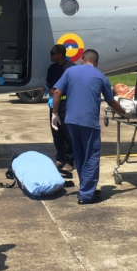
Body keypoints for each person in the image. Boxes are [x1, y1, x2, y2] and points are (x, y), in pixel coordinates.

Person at [51, 49, 126, 204]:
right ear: (96, 63)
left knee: (79, 154)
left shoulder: (70, 71)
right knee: (91, 156)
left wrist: (55, 113)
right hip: (89, 122)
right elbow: (111, 101)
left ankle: (85, 188)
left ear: (82, 59)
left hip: (71, 120)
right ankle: (86, 194)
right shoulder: (101, 77)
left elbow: (57, 92)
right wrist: (124, 113)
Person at [45, 44, 75, 173]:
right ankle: (60, 158)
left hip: (66, 104)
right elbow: (49, 83)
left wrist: (57, 91)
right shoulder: (52, 68)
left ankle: (69, 161)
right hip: (54, 104)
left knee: (67, 133)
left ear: (59, 55)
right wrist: (45, 88)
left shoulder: (71, 68)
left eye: (52, 53)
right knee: (56, 132)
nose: (50, 55)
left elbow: (72, 86)